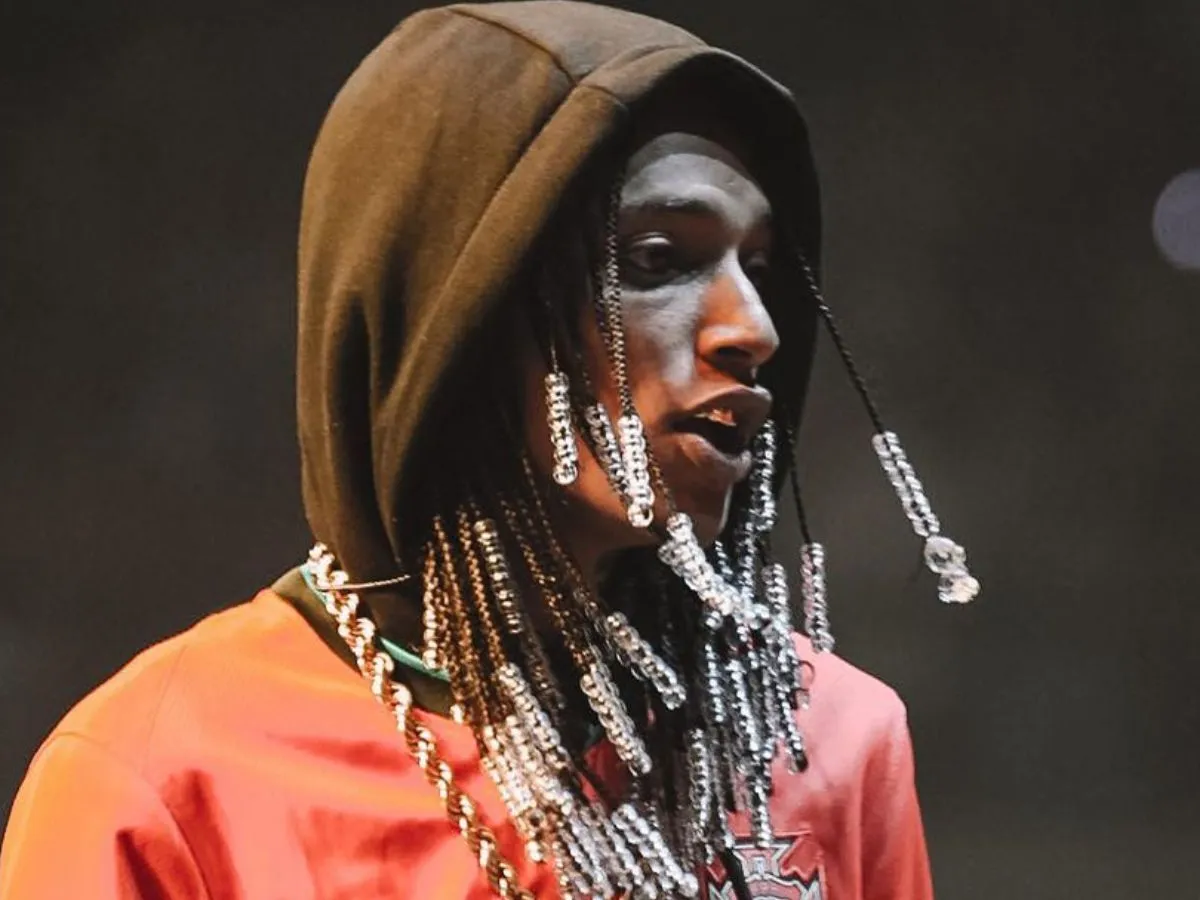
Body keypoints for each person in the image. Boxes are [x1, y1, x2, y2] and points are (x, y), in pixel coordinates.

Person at [1, 2, 976, 897]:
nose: (754, 329)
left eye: (757, 268)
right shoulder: (164, 778)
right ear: (452, 313)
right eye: (657, 260)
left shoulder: (829, 744)